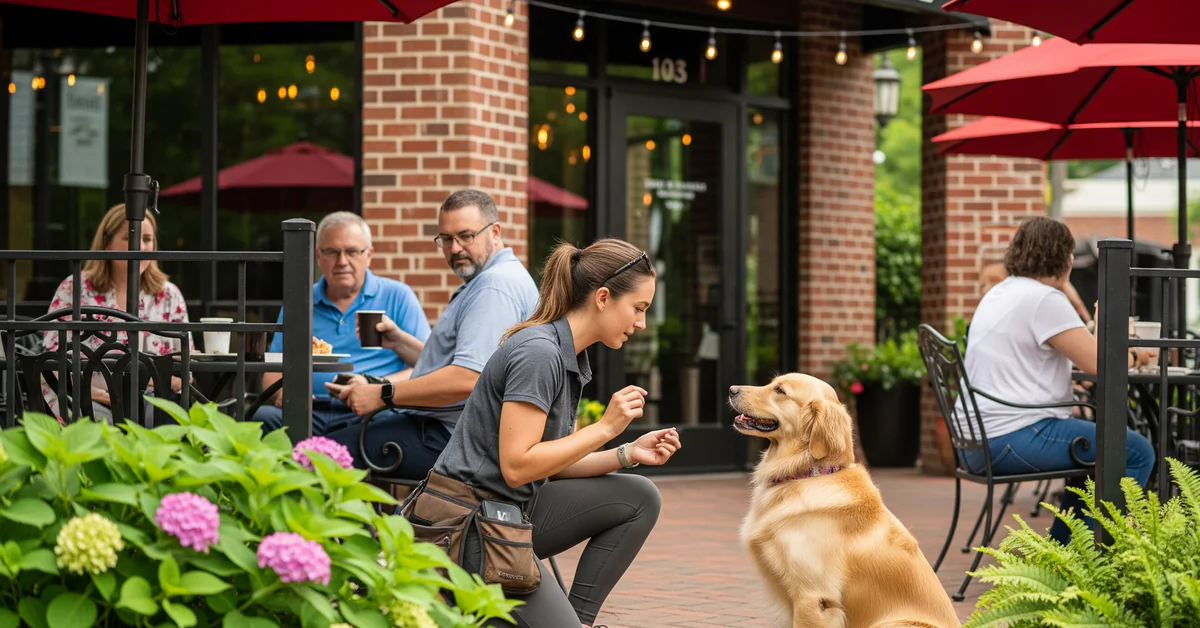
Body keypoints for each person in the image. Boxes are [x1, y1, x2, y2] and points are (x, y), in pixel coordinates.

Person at [417, 238, 680, 628]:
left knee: (639, 496)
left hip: (510, 510)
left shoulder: (567, 354)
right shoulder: (539, 353)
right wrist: (605, 428)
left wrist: (626, 453)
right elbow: (518, 467)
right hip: (467, 527)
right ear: (603, 298)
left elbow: (551, 465)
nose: (641, 323)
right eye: (638, 308)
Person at [322, 189, 539, 479]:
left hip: (456, 441)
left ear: (495, 232)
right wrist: (399, 342)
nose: (455, 248)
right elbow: (462, 364)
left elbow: (468, 378)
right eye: (446, 239)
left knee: (321, 454)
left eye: (466, 236)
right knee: (341, 438)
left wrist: (383, 394)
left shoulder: (494, 287)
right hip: (457, 433)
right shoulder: (495, 278)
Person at [964, 216, 1153, 544]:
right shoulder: (1044, 300)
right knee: (1135, 450)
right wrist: (1139, 356)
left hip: (976, 440)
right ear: (1065, 259)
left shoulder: (1002, 292)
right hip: (1009, 438)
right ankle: (1101, 555)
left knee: (1090, 452)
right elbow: (1101, 365)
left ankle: (1065, 551)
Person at [253, 211, 431, 436]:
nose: (342, 261)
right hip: (309, 410)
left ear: (369, 255)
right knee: (261, 418)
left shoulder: (398, 296)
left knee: (394, 425)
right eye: (332, 252)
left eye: (352, 251)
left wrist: (376, 386)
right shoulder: (300, 300)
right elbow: (273, 368)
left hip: (374, 409)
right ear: (318, 256)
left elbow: (428, 366)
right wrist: (283, 393)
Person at [41, 204, 190, 423]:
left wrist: (143, 385)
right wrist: (101, 394)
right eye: (129, 238)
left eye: (147, 239)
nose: (140, 247)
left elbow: (184, 372)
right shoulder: (73, 288)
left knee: (161, 422)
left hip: (151, 399)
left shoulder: (170, 295)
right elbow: (52, 363)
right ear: (106, 244)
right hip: (84, 395)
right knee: (97, 424)